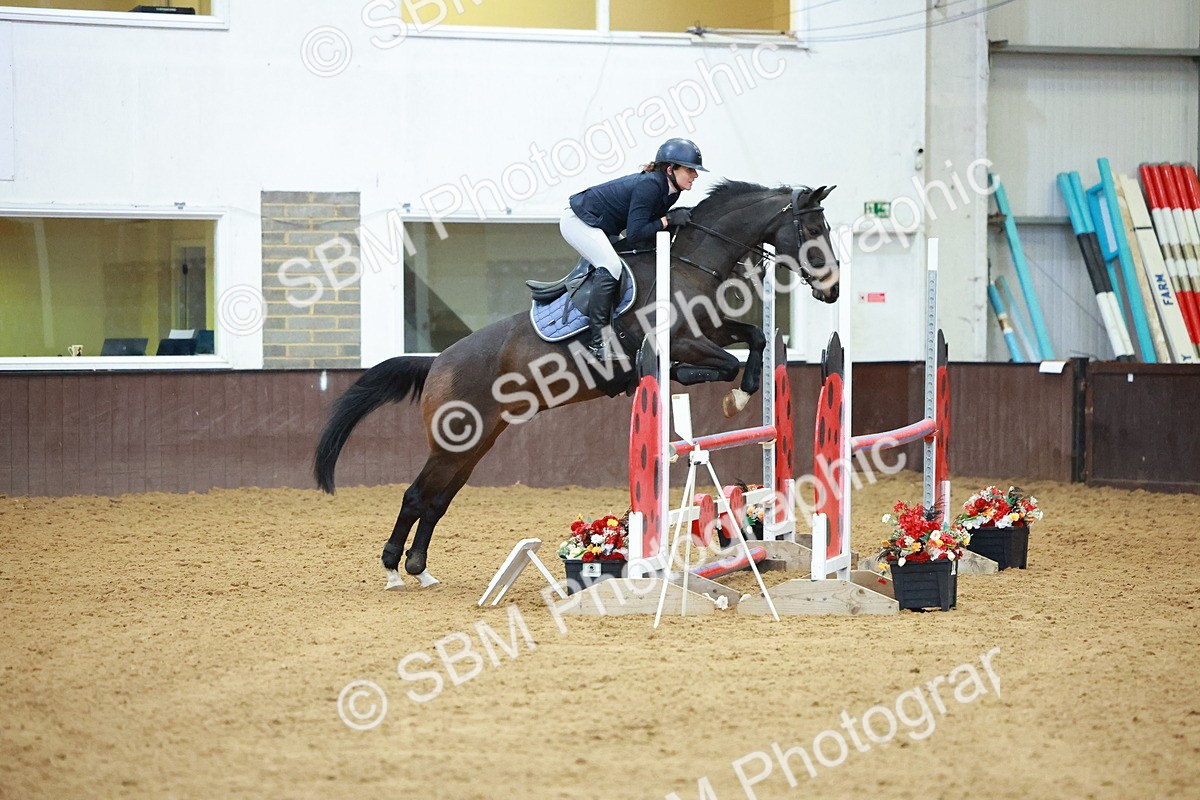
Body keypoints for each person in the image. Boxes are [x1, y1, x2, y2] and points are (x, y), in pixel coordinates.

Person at [560, 137, 707, 360]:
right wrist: (667, 220)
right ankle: (598, 344)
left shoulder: (672, 190)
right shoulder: (650, 185)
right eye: (690, 169)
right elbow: (636, 234)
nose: (695, 175)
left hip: (603, 227)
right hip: (580, 221)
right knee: (610, 266)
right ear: (670, 169)